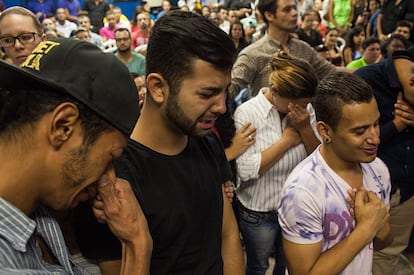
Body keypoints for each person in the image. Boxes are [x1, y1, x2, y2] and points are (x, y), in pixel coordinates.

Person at [73, 10, 245, 275]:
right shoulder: (110, 175)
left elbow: (228, 235)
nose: (222, 106)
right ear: (157, 88)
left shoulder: (207, 140)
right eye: (207, 93)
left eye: (226, 91)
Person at [0, 37, 151, 274]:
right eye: (111, 157)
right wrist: (138, 245)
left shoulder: (36, 214)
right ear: (63, 127)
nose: (109, 179)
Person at [278, 71, 393, 275]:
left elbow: (382, 242)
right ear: (325, 131)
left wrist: (379, 225)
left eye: (376, 124)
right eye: (360, 131)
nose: (375, 138)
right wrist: (366, 228)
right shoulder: (303, 190)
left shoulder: (378, 170)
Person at [234, 50, 320, 275]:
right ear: (275, 91)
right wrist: (287, 141)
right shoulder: (248, 113)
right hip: (259, 211)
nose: (302, 109)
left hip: (296, 208)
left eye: (306, 104)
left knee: (288, 265)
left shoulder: (306, 111)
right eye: (296, 104)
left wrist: (304, 128)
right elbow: (245, 169)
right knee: (259, 266)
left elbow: (319, 160)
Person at [354, 48, 414, 275]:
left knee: (389, 254)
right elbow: (346, 141)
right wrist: (396, 126)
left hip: (407, 191)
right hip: (364, 189)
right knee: (355, 252)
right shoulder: (366, 81)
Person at [229, 0, 337, 101]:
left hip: (305, 119)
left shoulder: (303, 48)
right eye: (287, 10)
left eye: (295, 8)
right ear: (269, 15)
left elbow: (333, 72)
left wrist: (354, 71)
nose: (295, 13)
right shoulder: (252, 54)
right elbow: (230, 89)